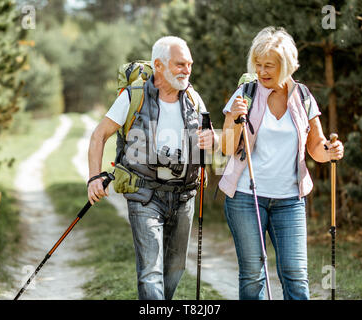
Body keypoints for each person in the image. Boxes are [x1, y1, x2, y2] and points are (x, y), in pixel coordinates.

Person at [218, 26, 344, 300]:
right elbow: (227, 147)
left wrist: (331, 150)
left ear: (286, 66)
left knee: (296, 276)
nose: (262, 71)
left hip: (290, 200)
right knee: (253, 277)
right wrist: (233, 118)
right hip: (245, 197)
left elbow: (316, 147)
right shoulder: (245, 93)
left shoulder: (303, 96)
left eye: (269, 66)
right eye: (258, 65)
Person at [87, 36, 217, 300]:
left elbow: (209, 138)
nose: (187, 70)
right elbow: (98, 136)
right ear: (159, 65)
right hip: (145, 195)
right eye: (180, 64)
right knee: (150, 271)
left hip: (184, 196)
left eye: (190, 64)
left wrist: (211, 140)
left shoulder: (192, 97)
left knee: (175, 268)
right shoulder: (132, 97)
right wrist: (93, 178)